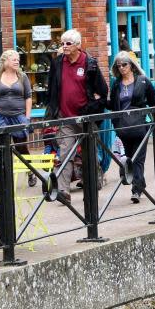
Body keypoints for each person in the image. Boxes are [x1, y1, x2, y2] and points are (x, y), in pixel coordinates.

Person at [45, 29, 108, 202]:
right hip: (65, 117)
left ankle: (94, 181)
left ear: (78, 46)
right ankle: (64, 191)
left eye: (68, 44)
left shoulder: (90, 63)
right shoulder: (57, 63)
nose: (64, 47)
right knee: (65, 153)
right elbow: (51, 89)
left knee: (90, 153)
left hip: (85, 117)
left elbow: (103, 92)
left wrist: (91, 108)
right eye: (62, 43)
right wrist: (52, 112)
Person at [106, 51, 155, 204]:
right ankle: (137, 182)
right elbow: (113, 105)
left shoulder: (143, 81)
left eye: (125, 64)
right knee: (128, 158)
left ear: (131, 65)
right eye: (119, 65)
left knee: (138, 160)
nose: (122, 68)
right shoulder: (116, 84)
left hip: (139, 127)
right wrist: (101, 100)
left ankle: (136, 190)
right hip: (123, 128)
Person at [0, 50, 33, 182]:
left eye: (18, 59)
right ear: (5, 61)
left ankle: (31, 171)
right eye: (14, 59)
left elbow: (28, 97)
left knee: (21, 147)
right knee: (3, 146)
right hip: (1, 116)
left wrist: (27, 117)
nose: (17, 61)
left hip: (18, 116)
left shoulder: (23, 77)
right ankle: (6, 175)